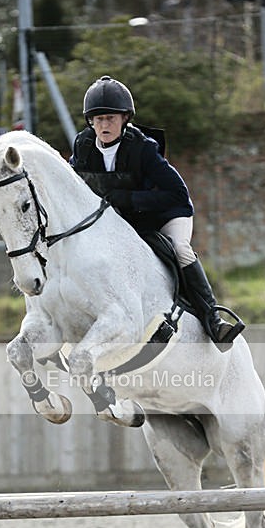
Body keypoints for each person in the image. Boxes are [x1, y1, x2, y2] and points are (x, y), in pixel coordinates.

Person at [69, 75, 245, 345]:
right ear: (90, 121)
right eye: (99, 119)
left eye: (111, 118)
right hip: (121, 221)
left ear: (125, 118)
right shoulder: (83, 147)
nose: (105, 125)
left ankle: (212, 318)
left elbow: (176, 194)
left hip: (166, 214)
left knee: (179, 248)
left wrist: (126, 199)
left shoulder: (144, 149)